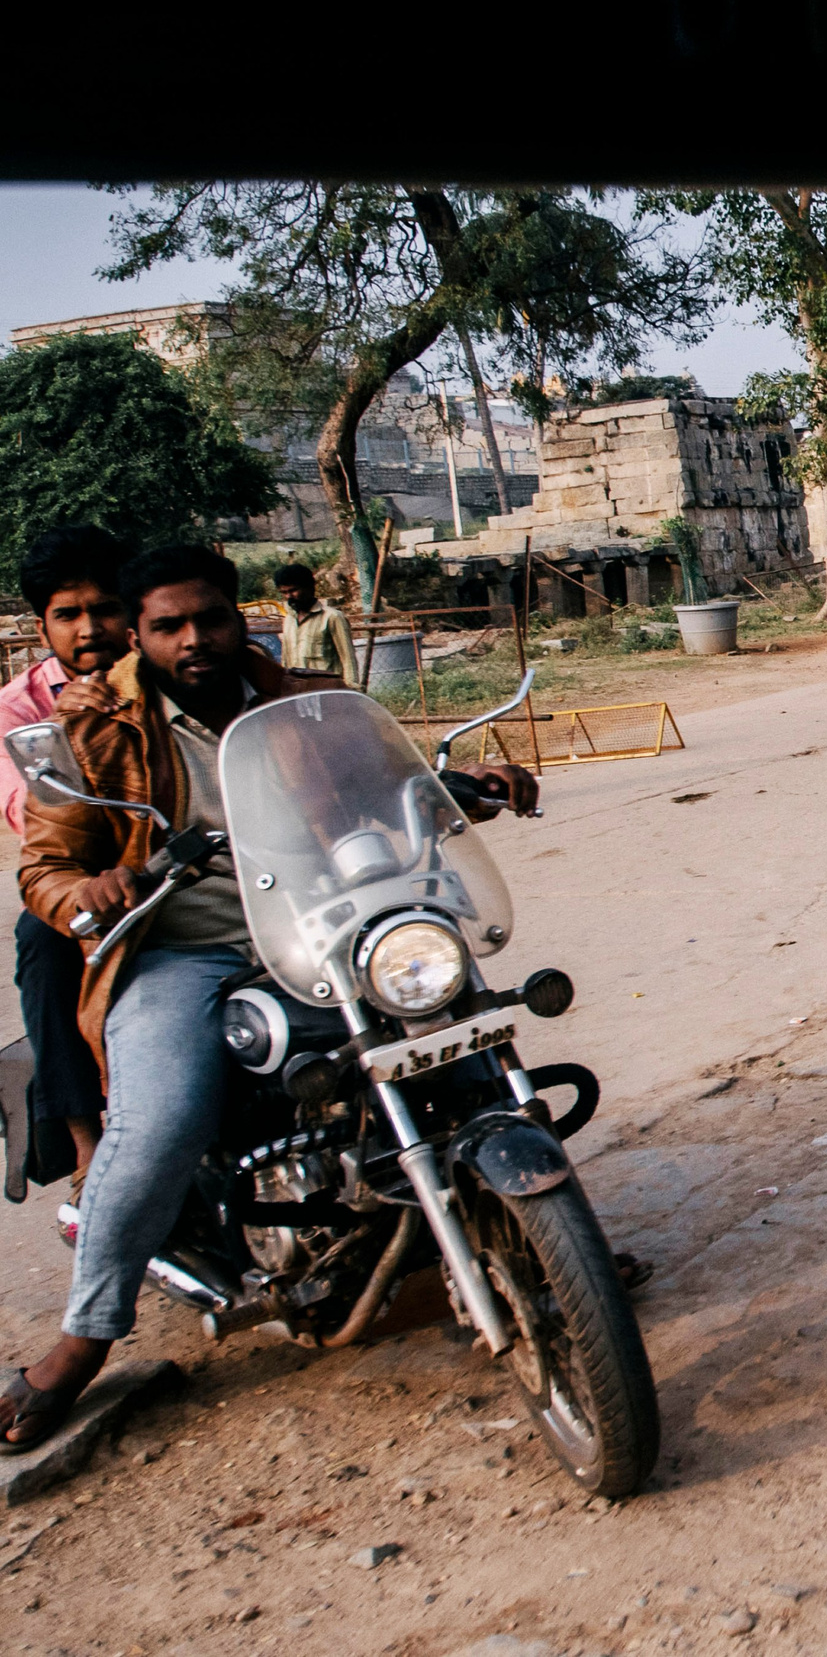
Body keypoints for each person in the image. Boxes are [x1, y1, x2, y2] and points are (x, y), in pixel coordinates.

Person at [0, 545, 537, 1450]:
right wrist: (87, 890)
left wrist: (460, 790)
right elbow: (45, 866)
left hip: (324, 921)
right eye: (169, 625)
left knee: (460, 1020)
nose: (195, 638)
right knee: (162, 1119)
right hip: (183, 946)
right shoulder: (91, 725)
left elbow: (381, 787)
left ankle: (539, 1230)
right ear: (140, 634)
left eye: (210, 617)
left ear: (238, 615)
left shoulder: (297, 701)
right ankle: (84, 1336)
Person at [1, 528, 130, 1195]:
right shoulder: (19, 708)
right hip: (86, 881)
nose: (90, 628)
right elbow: (28, 810)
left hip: (195, 863)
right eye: (68, 614)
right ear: (42, 623)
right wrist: (74, 728)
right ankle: (87, 1142)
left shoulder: (170, 665)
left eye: (105, 608)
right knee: (40, 941)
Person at [271, 561, 357, 681]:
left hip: (326, 691)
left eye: (293, 590)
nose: (288, 596)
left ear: (309, 587)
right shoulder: (289, 620)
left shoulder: (332, 617)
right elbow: (286, 660)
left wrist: (350, 691)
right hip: (298, 692)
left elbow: (348, 659)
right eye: (284, 592)